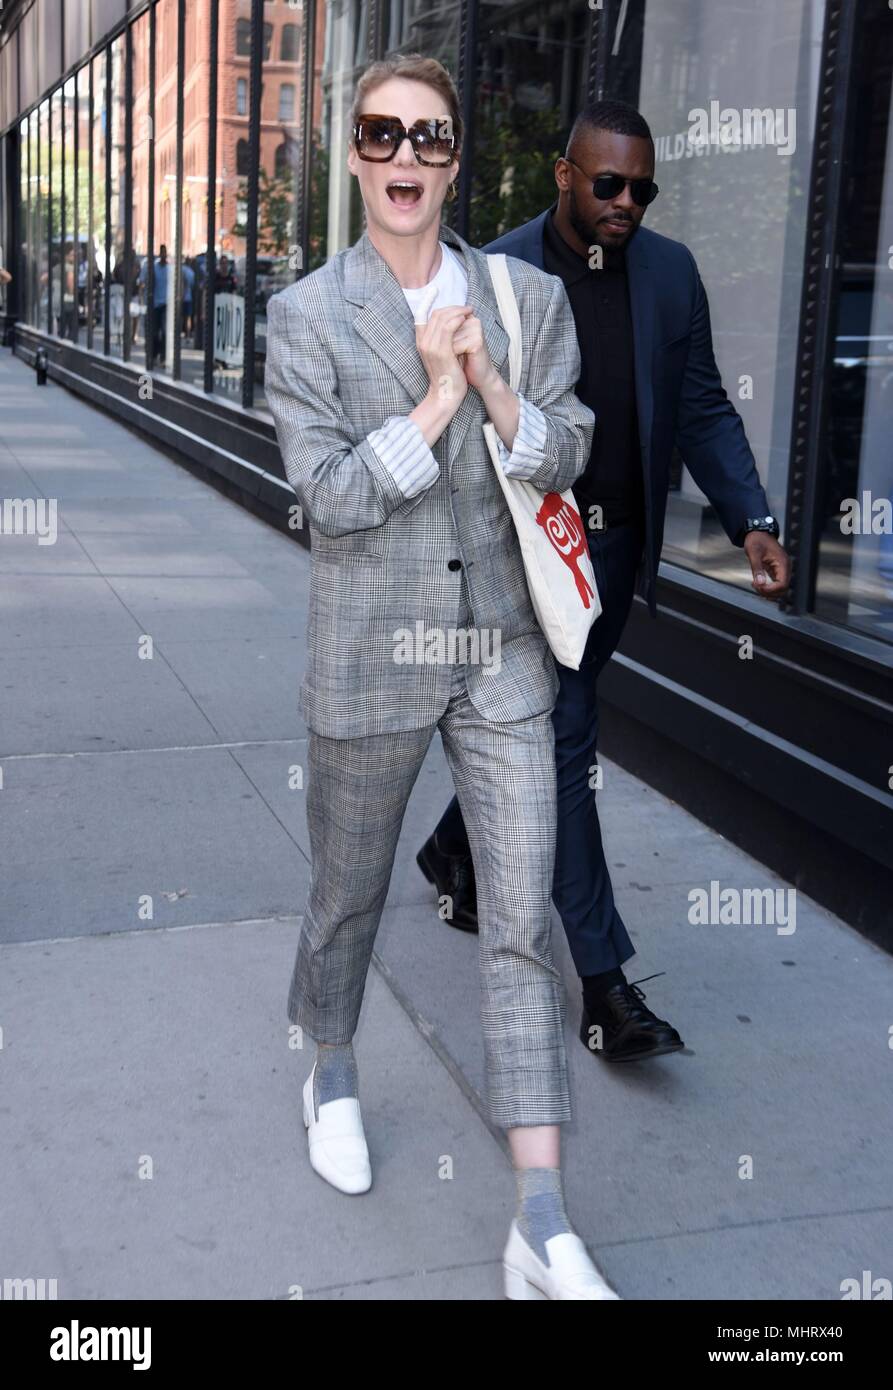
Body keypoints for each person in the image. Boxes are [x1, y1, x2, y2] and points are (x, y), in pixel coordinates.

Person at [264, 54, 616, 1300]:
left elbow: (567, 445)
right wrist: (432, 396)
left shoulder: (521, 297)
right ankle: (335, 1062)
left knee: (520, 921)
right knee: (348, 891)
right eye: (380, 135)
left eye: (429, 138)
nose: (405, 158)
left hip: (502, 653)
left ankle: (538, 1218)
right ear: (352, 154)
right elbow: (333, 500)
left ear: (459, 158)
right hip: (371, 647)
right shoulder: (307, 314)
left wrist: (491, 382)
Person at [417, 100, 791, 1064]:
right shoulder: (495, 273)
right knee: (562, 740)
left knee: (544, 726)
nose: (625, 203)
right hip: (522, 552)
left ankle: (451, 845)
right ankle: (604, 984)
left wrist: (749, 517)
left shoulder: (669, 275)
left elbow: (703, 405)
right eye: (608, 184)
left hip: (614, 551)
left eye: (641, 189)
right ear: (563, 175)